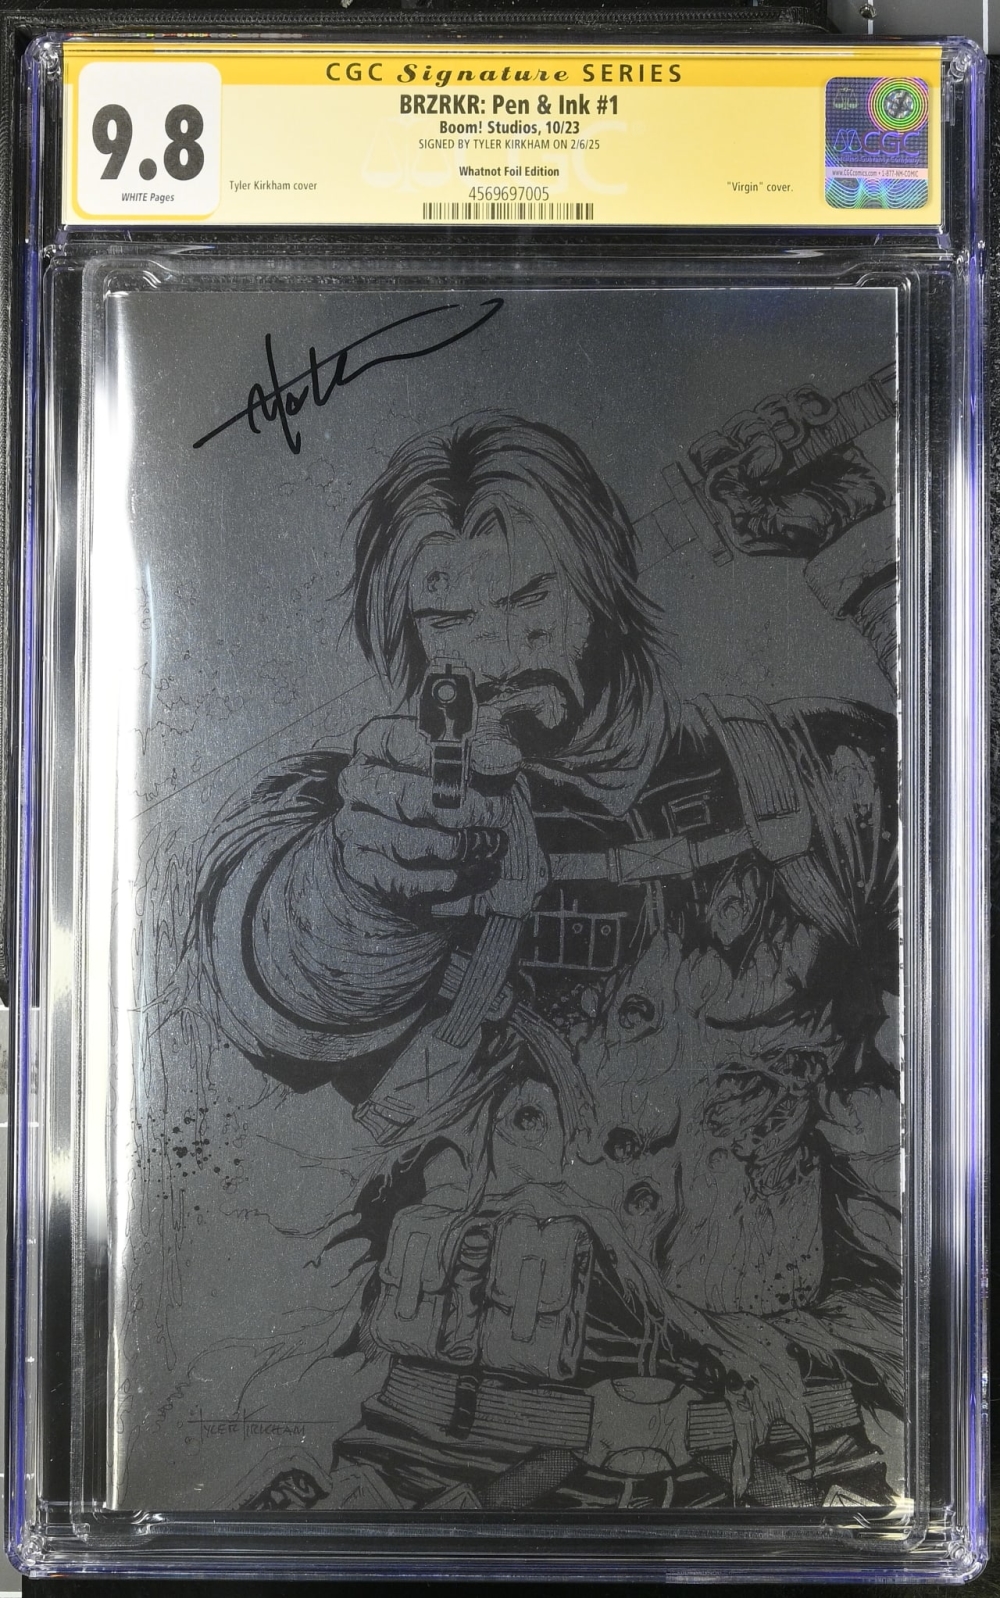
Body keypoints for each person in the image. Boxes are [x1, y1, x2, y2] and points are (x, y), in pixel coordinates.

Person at [192, 402, 903, 1512]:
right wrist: (365, 875)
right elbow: (278, 965)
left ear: (605, 586)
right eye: (450, 620)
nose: (496, 652)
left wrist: (878, 563)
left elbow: (968, 876)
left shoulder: (817, 778)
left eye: (532, 603)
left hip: (785, 1466)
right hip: (456, 1469)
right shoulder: (372, 807)